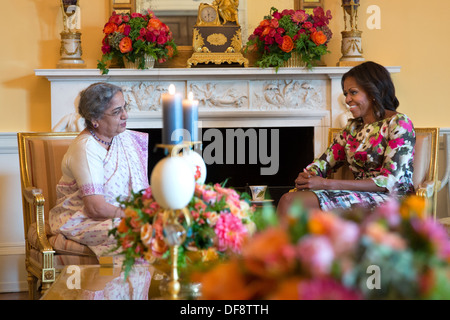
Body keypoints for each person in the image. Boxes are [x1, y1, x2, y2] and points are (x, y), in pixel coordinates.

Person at [277, 61, 416, 216]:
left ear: (373, 91)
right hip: (358, 195)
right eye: (346, 94)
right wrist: (308, 175)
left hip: (392, 199)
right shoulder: (353, 128)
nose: (347, 99)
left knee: (291, 202)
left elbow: (389, 181)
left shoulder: (399, 123)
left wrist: (326, 184)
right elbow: (325, 161)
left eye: (353, 92)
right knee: (290, 199)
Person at [49, 82, 149, 257]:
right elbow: (95, 208)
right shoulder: (86, 148)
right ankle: (118, 282)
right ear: (95, 119)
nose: (125, 115)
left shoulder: (122, 139)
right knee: (137, 232)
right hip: (82, 219)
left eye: (125, 108)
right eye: (117, 112)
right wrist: (135, 215)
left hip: (117, 215)